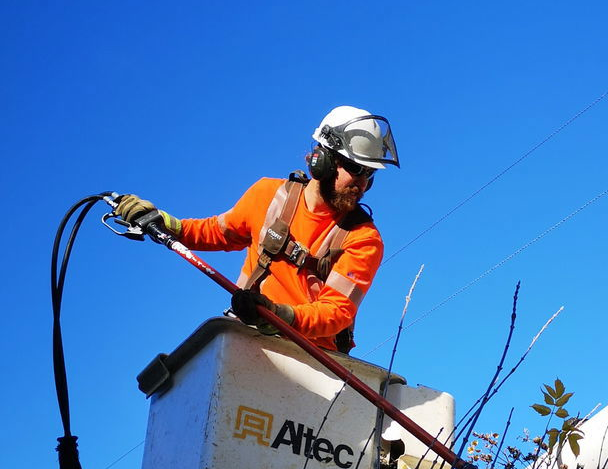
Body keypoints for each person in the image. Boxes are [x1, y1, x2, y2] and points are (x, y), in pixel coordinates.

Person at [115, 106, 398, 352]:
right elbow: (216, 231)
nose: (361, 182)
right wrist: (164, 222)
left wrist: (277, 315)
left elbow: (336, 312)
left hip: (314, 361)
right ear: (321, 160)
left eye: (369, 173)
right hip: (246, 341)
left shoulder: (364, 239)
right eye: (354, 168)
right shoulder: (267, 195)